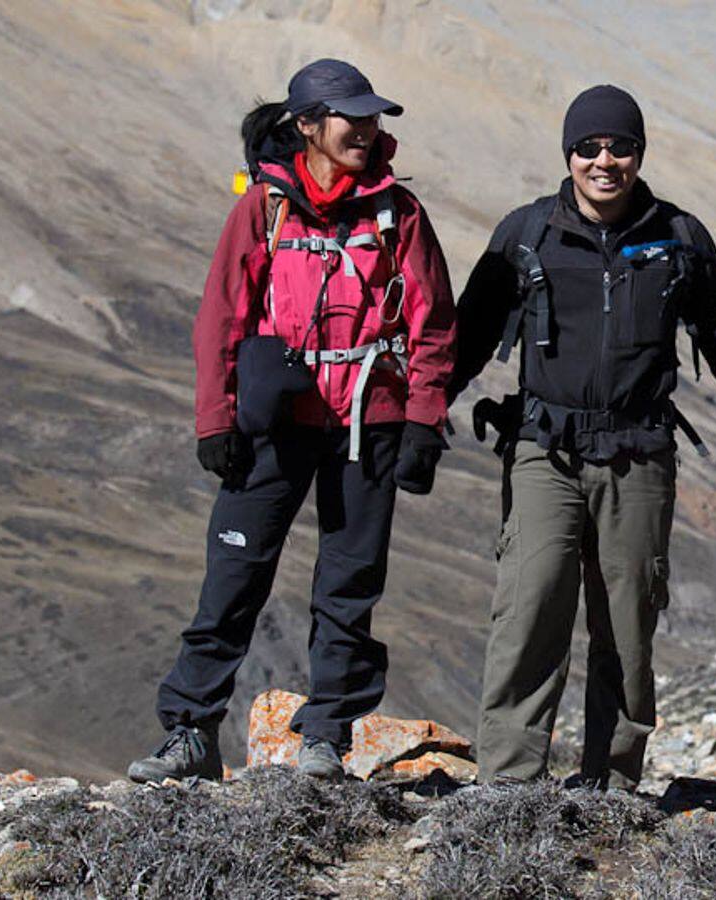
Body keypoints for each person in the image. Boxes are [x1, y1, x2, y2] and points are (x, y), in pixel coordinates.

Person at [128, 58, 456, 783]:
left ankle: (326, 738)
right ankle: (190, 733)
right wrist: (215, 420)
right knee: (233, 577)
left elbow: (435, 323)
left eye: (373, 118)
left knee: (349, 585)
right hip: (273, 423)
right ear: (307, 125)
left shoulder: (399, 214)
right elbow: (222, 315)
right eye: (351, 117)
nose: (366, 130)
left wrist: (423, 421)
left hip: (368, 422)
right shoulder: (261, 208)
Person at [450, 85, 716, 790]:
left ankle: (611, 785)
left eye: (620, 146)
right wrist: (419, 418)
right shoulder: (526, 234)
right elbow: (466, 339)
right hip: (545, 450)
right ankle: (508, 786)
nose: (606, 161)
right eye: (589, 147)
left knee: (629, 625)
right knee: (530, 604)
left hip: (639, 455)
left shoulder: (681, 239)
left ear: (640, 153)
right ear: (568, 154)